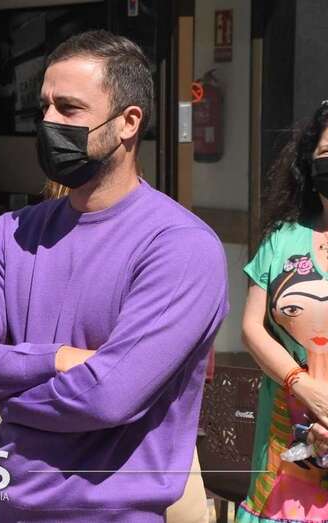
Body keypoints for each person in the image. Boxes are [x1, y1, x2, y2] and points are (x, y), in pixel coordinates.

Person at [0, 30, 229, 522]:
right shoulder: (11, 233)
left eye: (69, 109)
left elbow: (107, 396)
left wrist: (3, 391)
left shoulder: (179, 246)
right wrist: (57, 359)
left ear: (128, 122)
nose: (49, 122)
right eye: (44, 108)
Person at [239, 99, 328, 522]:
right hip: (283, 435)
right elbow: (252, 328)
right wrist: (303, 386)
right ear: (309, 162)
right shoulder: (281, 238)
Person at [44, 178, 211, 523]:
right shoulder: (165, 257)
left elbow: (0, 379)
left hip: (68, 473)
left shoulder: (39, 266)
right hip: (164, 463)